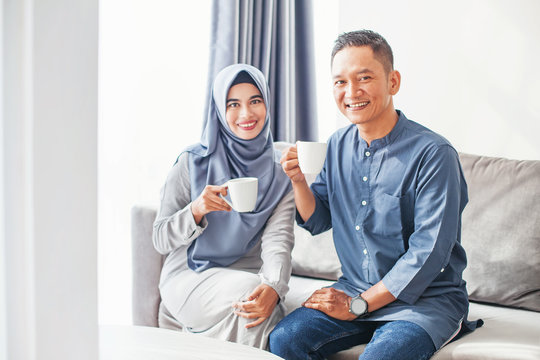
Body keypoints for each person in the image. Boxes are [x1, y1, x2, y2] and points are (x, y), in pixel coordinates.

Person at [269, 30, 482, 360]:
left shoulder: (434, 153)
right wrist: (298, 181)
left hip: (424, 303)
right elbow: (318, 219)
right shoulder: (338, 144)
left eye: (363, 78)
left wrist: (359, 305)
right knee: (285, 339)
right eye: (340, 82)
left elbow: (429, 252)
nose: (351, 92)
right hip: (354, 289)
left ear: (393, 82)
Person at [153, 64, 295, 349]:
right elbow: (160, 238)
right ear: (219, 109)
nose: (246, 114)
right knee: (252, 298)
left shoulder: (281, 172)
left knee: (259, 307)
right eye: (233, 104)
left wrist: (274, 287)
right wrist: (196, 210)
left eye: (255, 101)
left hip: (246, 274)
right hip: (189, 276)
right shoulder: (192, 162)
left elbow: (279, 240)